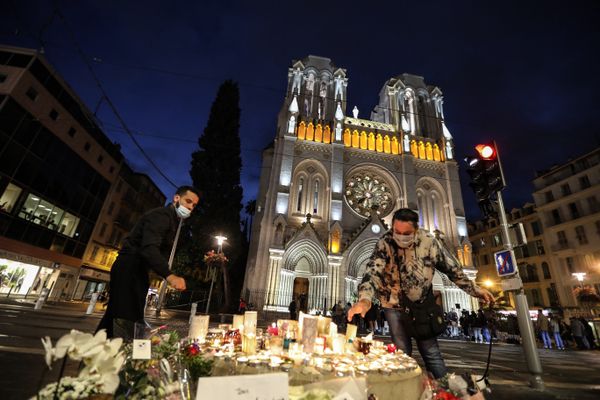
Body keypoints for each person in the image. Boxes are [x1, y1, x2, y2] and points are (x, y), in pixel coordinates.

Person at [347, 208, 493, 378]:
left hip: (422, 307)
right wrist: (365, 299)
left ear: (416, 229)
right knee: (401, 354)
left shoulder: (429, 242)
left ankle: (443, 390)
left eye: (406, 233)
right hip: (394, 306)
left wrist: (475, 290)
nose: (401, 236)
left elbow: (453, 270)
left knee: (431, 353)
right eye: (397, 231)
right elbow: (373, 272)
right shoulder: (385, 242)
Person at [97, 186, 198, 339]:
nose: (190, 207)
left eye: (194, 205)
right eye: (188, 201)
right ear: (176, 198)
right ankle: (119, 356)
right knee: (126, 318)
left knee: (116, 317)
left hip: (136, 269)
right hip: (129, 267)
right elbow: (149, 248)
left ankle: (93, 356)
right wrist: (170, 276)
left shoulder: (171, 220)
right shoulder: (161, 216)